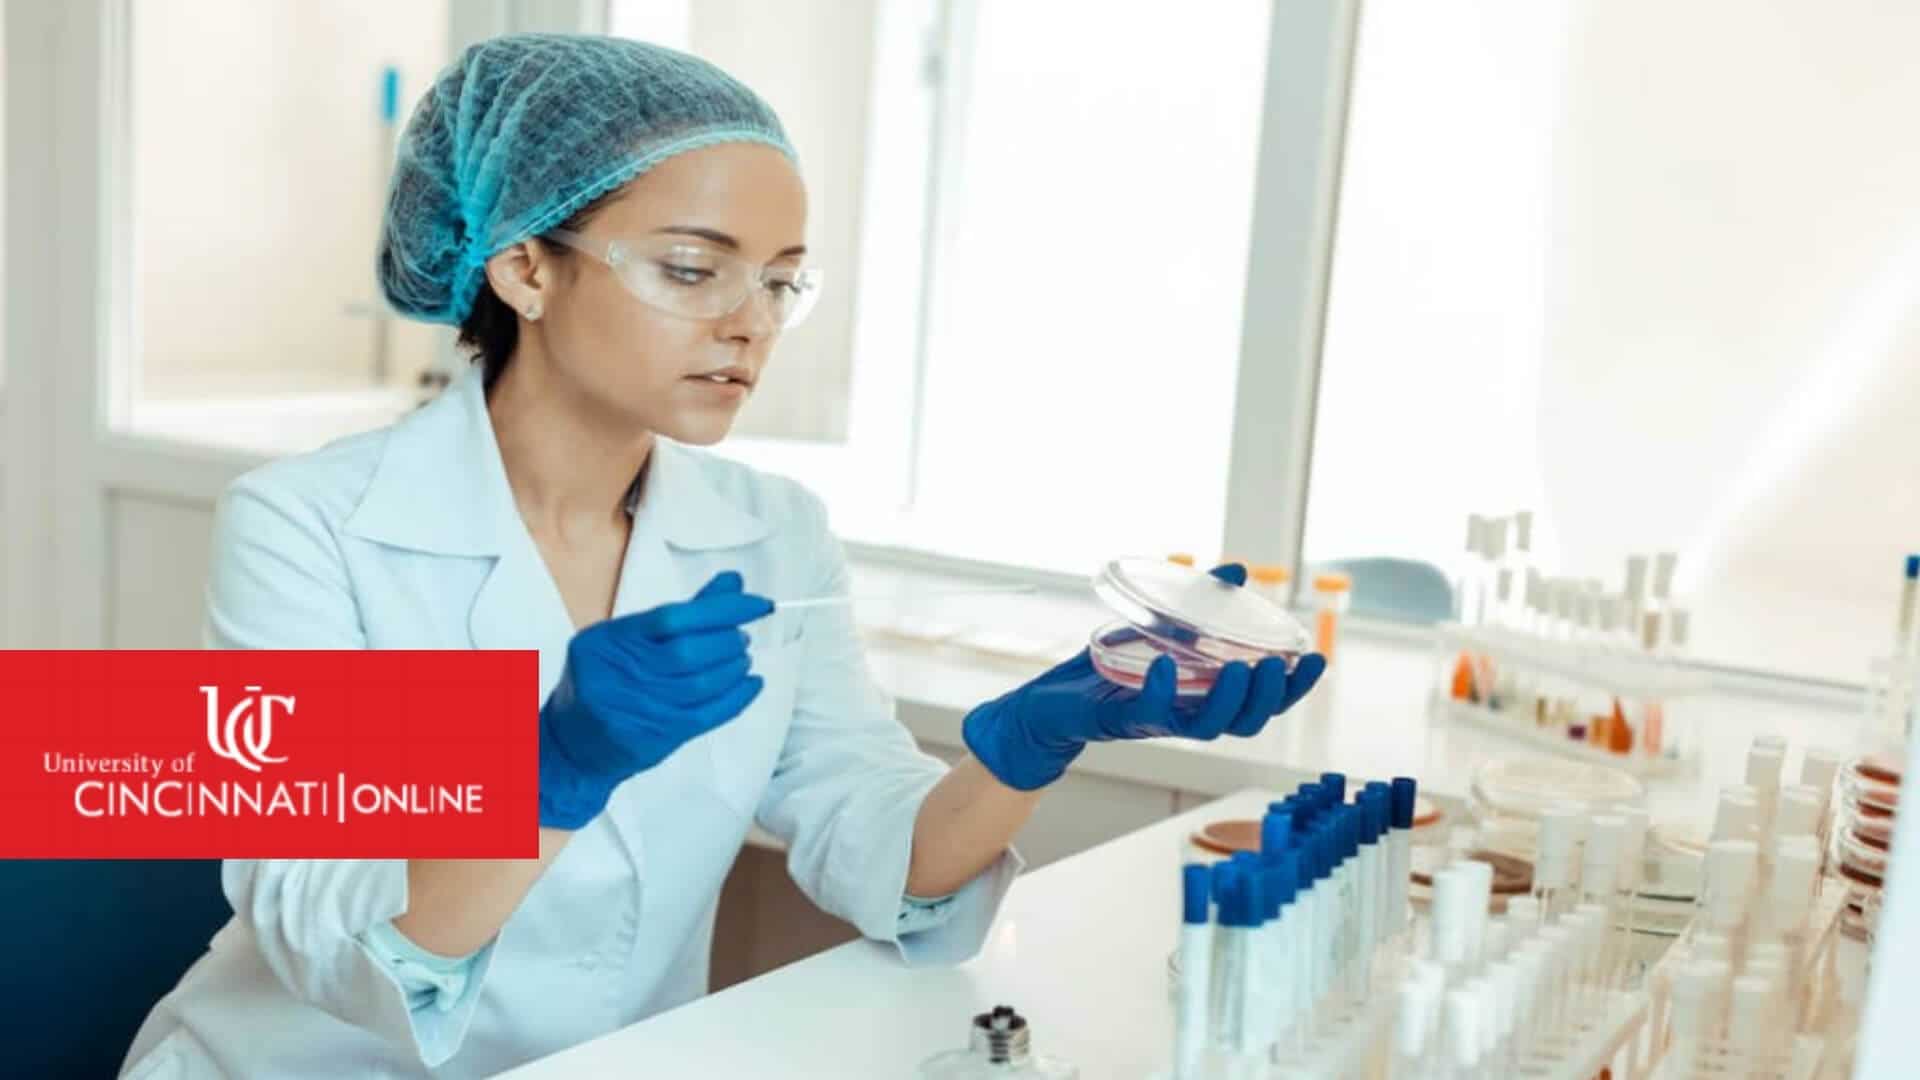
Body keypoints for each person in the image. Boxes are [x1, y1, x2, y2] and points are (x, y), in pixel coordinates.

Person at [121, 33, 1326, 1078]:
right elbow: (322, 935)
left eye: (781, 283)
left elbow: (873, 841)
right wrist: (546, 774)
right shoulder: (309, 524)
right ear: (524, 267)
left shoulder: (769, 528)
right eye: (693, 269)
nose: (749, 321)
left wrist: (1030, 744)